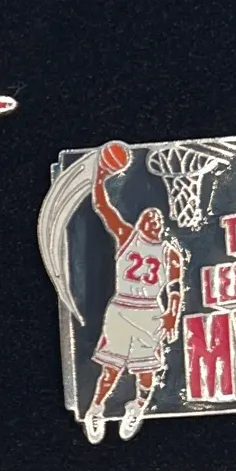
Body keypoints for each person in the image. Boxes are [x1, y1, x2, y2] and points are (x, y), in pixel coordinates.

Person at [83, 141, 185, 441]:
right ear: (140, 222)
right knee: (111, 369)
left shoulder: (170, 253)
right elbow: (103, 207)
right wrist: (100, 177)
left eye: (158, 219)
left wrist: (172, 315)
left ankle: (138, 407)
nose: (154, 220)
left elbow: (176, 288)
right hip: (122, 308)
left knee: (147, 373)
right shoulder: (126, 236)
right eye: (149, 217)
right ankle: (95, 409)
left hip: (151, 312)